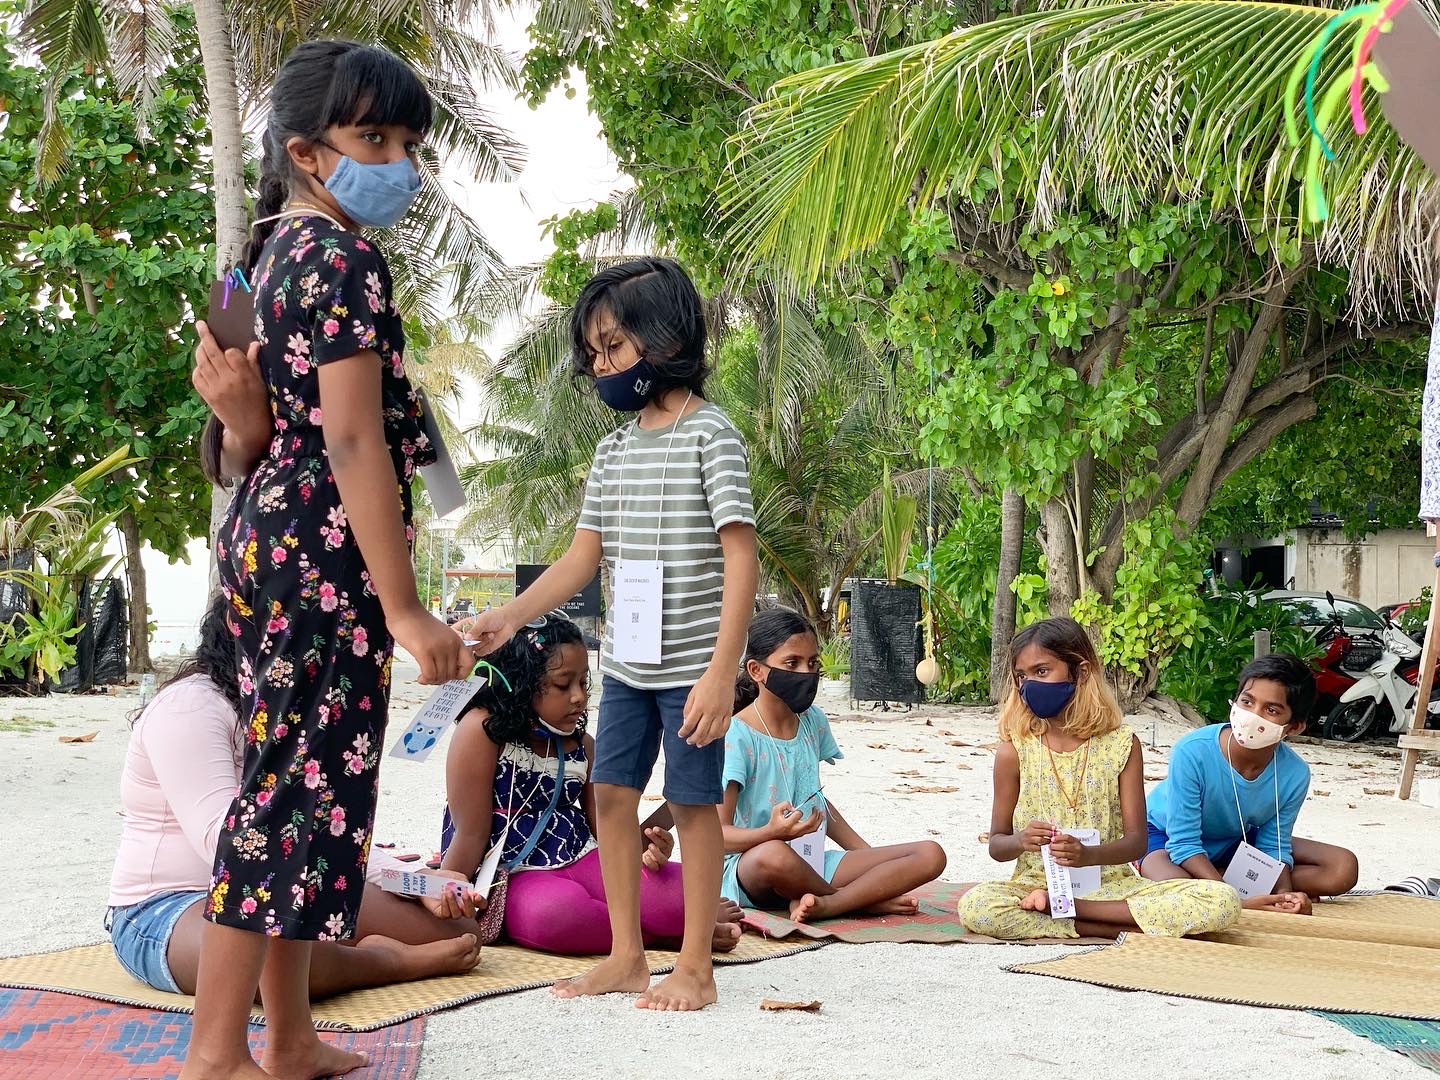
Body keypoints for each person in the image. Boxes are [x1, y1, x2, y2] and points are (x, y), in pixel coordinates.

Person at [187, 41, 470, 1080]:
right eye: (374, 139)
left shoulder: (254, 263)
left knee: (310, 788)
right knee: (289, 795)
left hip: (267, 540)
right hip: (321, 550)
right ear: (308, 152)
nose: (398, 163)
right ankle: (217, 1053)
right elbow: (353, 442)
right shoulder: (345, 261)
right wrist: (405, 608)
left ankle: (290, 1035)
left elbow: (238, 443)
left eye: (407, 142)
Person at [463, 258, 758, 1011]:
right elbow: (581, 557)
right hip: (627, 666)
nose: (600, 365)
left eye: (614, 346)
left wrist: (722, 674)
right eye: (593, 352)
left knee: (693, 806)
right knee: (614, 796)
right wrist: (510, 616)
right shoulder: (612, 451)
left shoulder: (712, 435)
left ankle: (695, 967)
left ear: (667, 339)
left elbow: (741, 557)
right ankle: (627, 957)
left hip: (692, 669)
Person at [107, 596, 482, 1003]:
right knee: (276, 967)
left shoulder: (289, 709)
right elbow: (227, 842)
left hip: (286, 881)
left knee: (457, 929)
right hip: (172, 907)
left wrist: (413, 881)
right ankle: (385, 961)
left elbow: (326, 828)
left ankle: (338, 954)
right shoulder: (190, 707)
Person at [434, 612, 744, 953]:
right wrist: (445, 892)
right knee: (556, 915)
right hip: (514, 871)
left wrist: (651, 849)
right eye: (562, 685)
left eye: (583, 683)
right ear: (521, 683)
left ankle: (676, 924)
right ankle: (672, 936)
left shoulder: (583, 745)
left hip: (582, 855)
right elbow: (471, 833)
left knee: (686, 895)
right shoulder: (483, 730)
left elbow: (610, 833)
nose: (579, 697)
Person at [958, 618, 1240, 940]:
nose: (1029, 685)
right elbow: (997, 845)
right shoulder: (1014, 751)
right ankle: (1121, 924)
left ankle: (1072, 912)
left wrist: (1088, 856)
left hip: (1113, 887)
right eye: (1022, 676)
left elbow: (1136, 842)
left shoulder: (1122, 745)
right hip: (1035, 886)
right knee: (977, 906)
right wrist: (1021, 840)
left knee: (1222, 900)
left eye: (1042, 671)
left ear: (1080, 672)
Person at [720, 608, 946, 921]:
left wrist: (868, 856)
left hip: (811, 862)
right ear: (756, 670)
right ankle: (859, 901)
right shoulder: (736, 735)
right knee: (774, 853)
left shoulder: (812, 721)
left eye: (813, 663)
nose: (806, 672)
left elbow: (816, 801)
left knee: (930, 854)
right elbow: (717, 835)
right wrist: (770, 832)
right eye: (792, 663)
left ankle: (830, 903)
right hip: (751, 868)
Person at [1140, 653, 1360, 911]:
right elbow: (1183, 843)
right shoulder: (1192, 750)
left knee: (1342, 867)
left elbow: (1273, 846)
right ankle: (1229, 888)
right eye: (1247, 701)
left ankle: (1220, 882)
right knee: (1178, 893)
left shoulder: (1295, 773)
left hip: (1235, 839)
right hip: (1164, 836)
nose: (1253, 715)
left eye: (1271, 710)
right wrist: (1234, 899)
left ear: (1294, 727)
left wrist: (1285, 896)